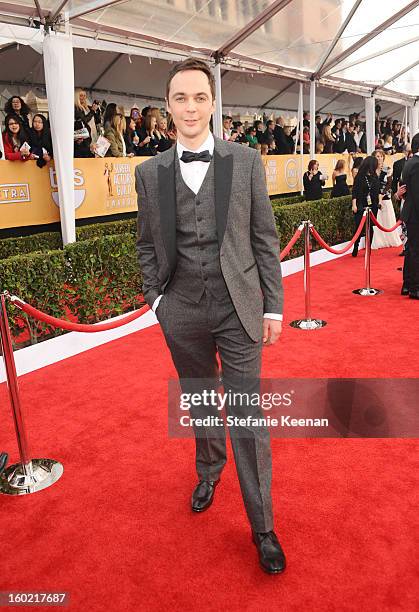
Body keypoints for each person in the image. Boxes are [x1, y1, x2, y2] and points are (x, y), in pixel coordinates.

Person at [135, 57, 285, 575]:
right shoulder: (148, 173)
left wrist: (273, 306)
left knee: (245, 414)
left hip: (238, 307)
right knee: (200, 402)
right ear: (168, 106)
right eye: (181, 98)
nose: (191, 107)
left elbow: (265, 239)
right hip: (182, 311)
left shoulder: (244, 161)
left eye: (200, 97)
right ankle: (208, 470)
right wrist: (158, 301)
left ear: (213, 103)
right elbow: (146, 246)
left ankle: (262, 525)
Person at [399, 132, 419, 299]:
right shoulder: (417, 164)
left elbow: (405, 189)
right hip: (415, 215)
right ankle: (415, 288)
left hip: (410, 213)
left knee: (411, 250)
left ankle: (407, 284)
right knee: (415, 251)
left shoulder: (410, 162)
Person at [351, 156, 380, 257]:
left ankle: (368, 248)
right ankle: (355, 247)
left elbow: (377, 192)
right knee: (358, 228)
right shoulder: (360, 176)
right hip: (360, 205)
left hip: (373, 206)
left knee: (370, 228)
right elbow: (354, 191)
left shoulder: (375, 176)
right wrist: (354, 205)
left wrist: (379, 202)